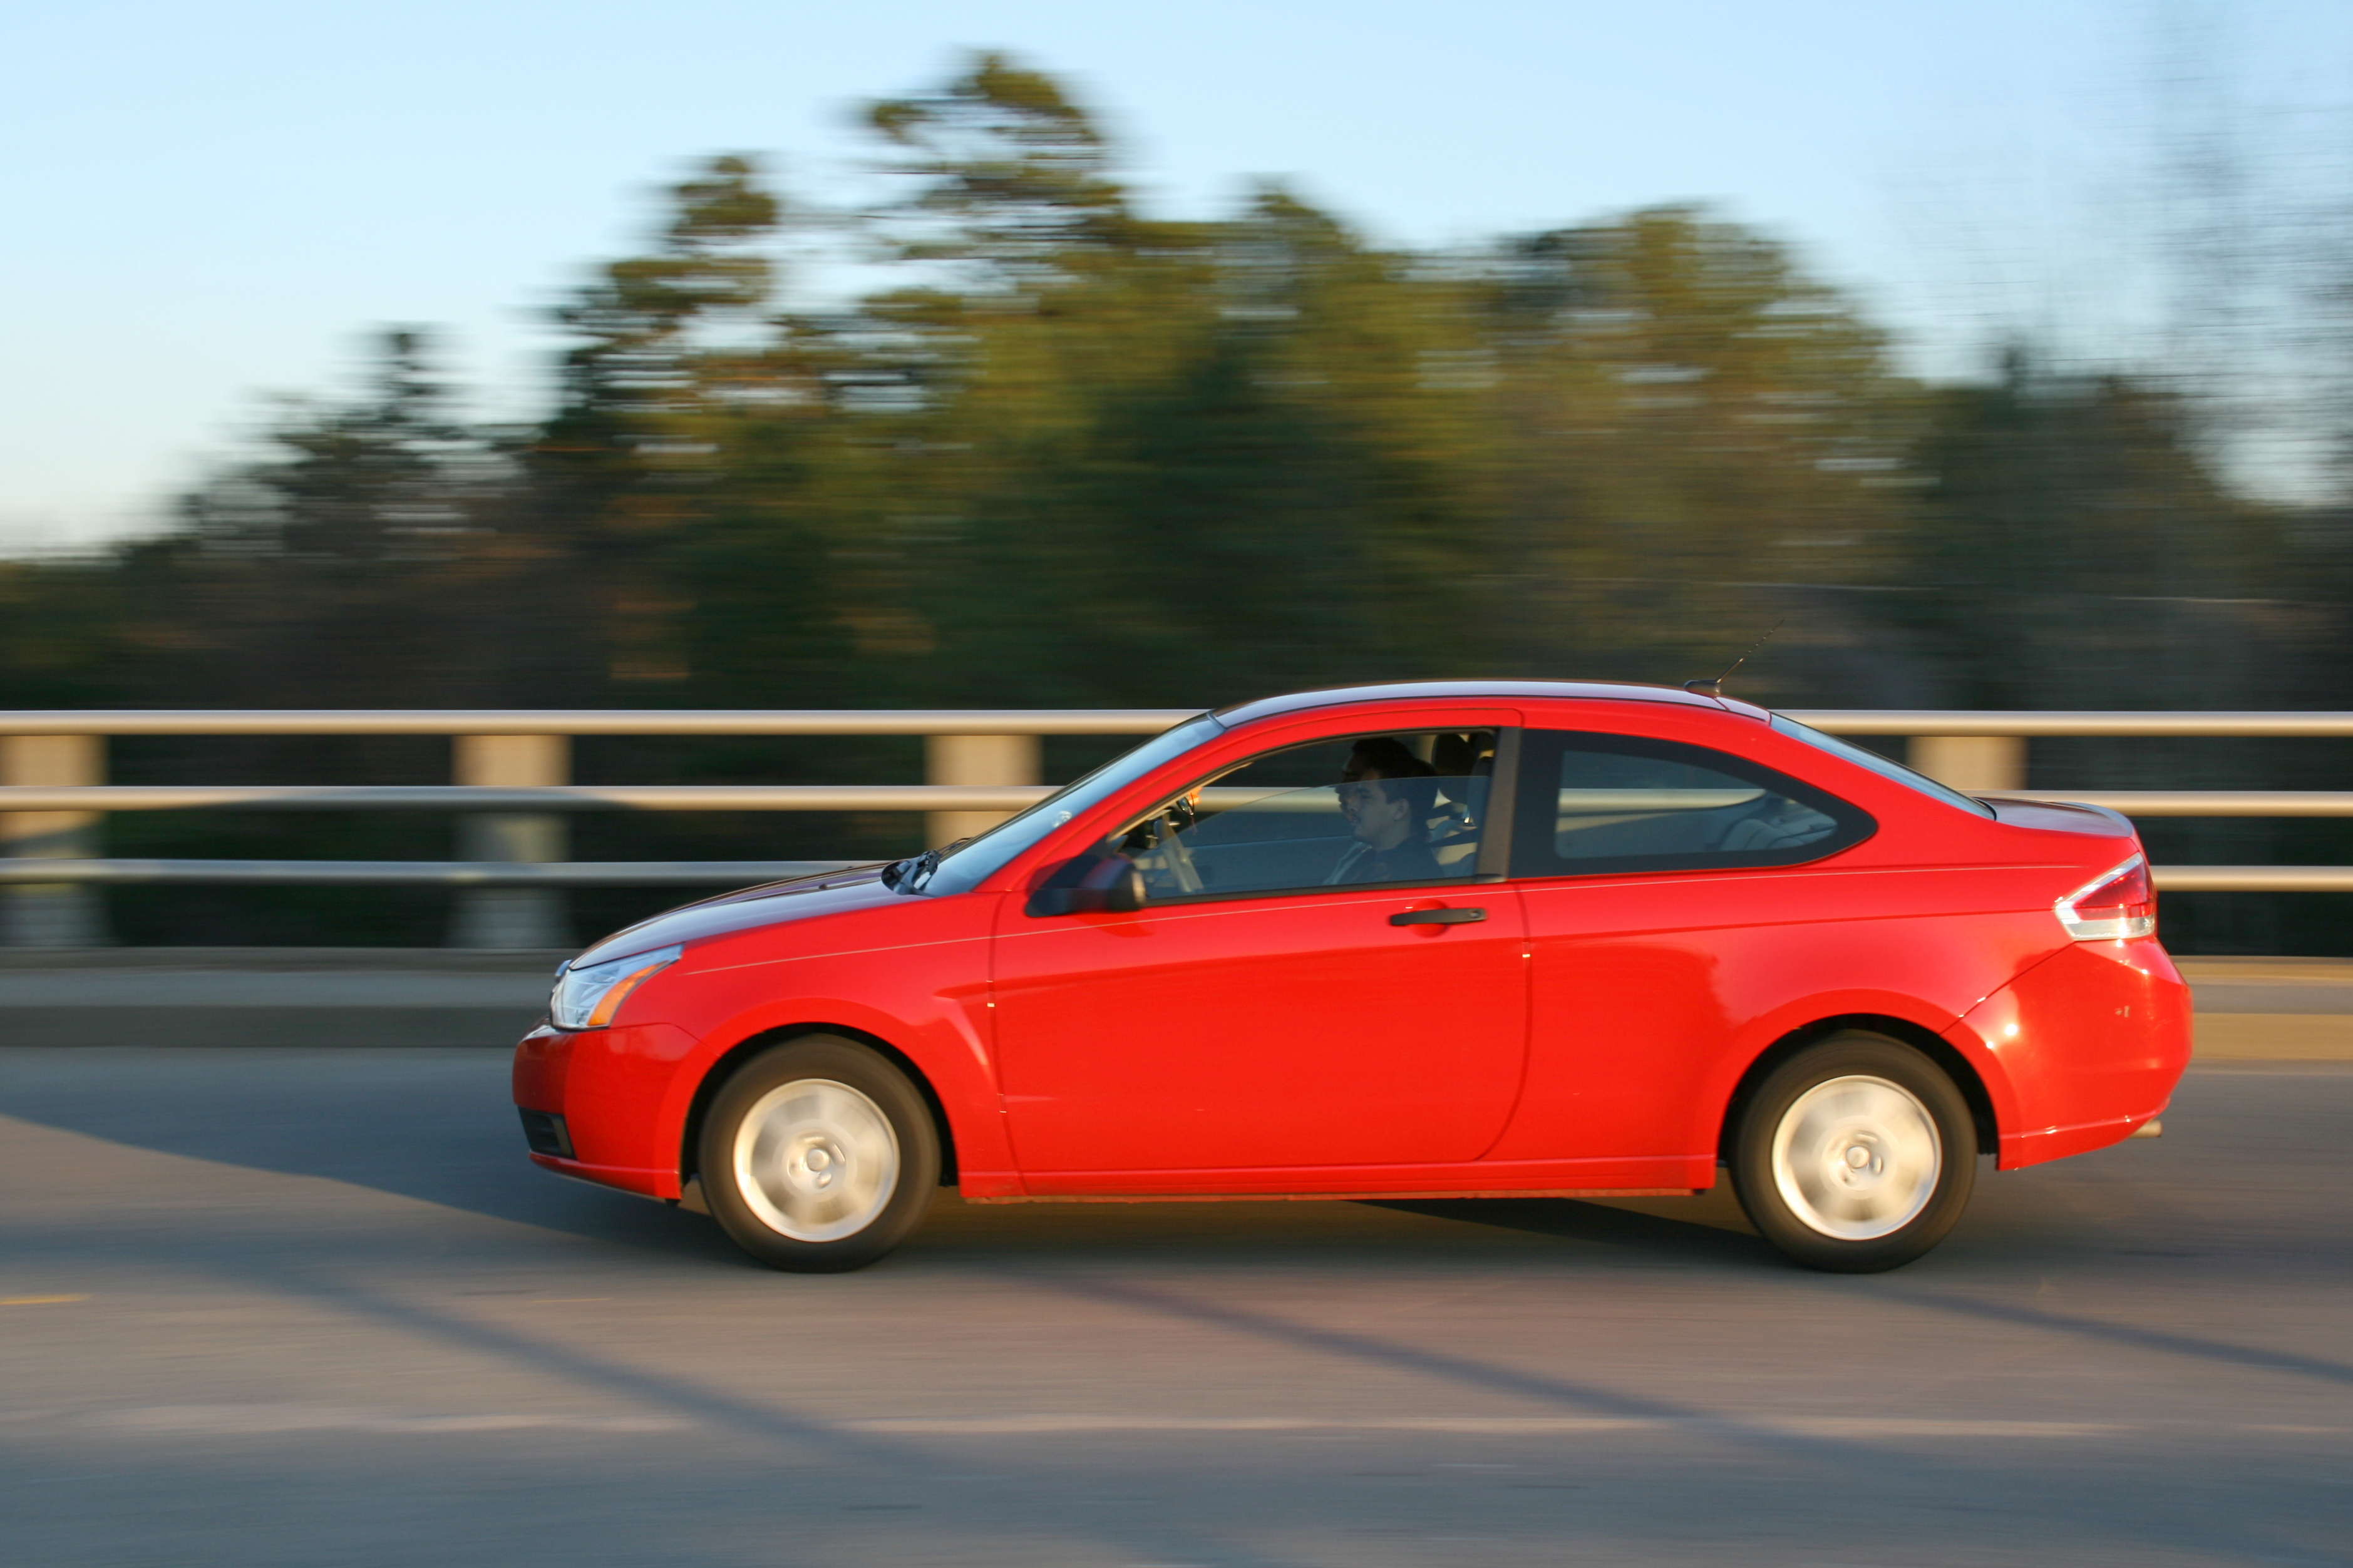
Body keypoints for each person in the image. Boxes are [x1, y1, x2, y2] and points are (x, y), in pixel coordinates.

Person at [1327, 742, 1444, 884]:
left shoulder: (1401, 877)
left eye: (1365, 797)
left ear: (1400, 810)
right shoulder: (1374, 858)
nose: (1353, 805)